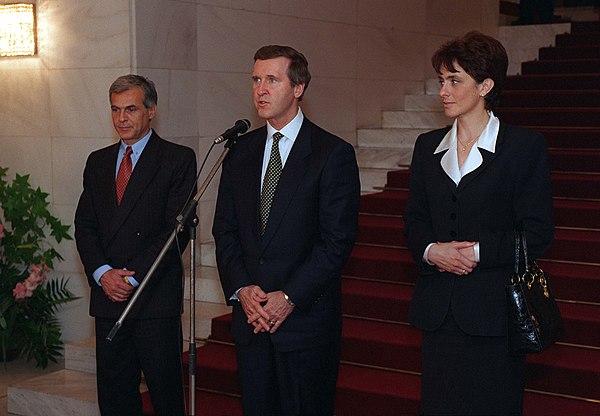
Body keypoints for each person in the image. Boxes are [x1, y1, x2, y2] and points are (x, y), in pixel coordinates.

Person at [403, 32, 554, 415]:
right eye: (441, 81)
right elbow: (414, 220)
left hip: (495, 314)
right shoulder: (427, 146)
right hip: (439, 313)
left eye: (455, 81)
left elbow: (537, 233)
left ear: (485, 85)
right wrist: (431, 250)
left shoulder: (524, 147)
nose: (443, 91)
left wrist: (475, 252)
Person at [212, 45, 360, 416]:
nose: (261, 89)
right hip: (252, 322)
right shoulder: (239, 152)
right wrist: (243, 288)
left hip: (305, 325)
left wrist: (289, 296)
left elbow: (336, 242)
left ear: (298, 88)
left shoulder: (331, 153)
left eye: (272, 80)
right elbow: (224, 231)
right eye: (256, 80)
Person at [74, 74, 197, 415]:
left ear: (151, 110)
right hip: (108, 298)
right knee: (114, 400)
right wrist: (103, 274)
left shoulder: (177, 159)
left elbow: (177, 232)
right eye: (115, 110)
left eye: (130, 109)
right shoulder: (97, 161)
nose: (122, 118)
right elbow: (85, 226)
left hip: (153, 299)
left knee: (165, 397)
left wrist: (129, 278)